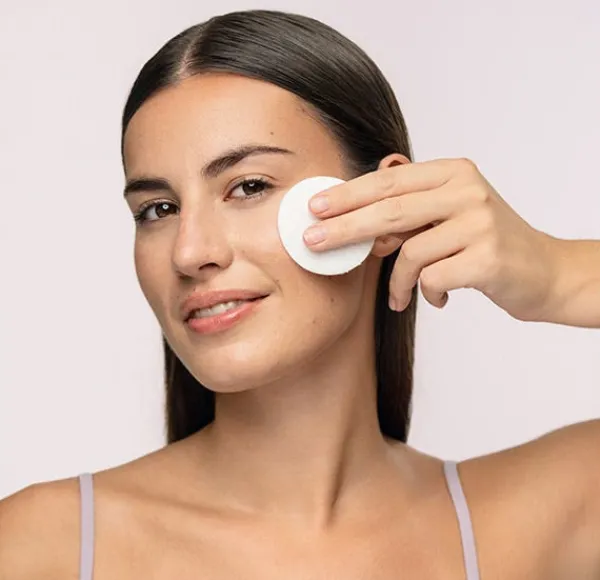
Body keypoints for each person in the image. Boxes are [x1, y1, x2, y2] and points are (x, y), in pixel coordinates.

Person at [1, 9, 599, 580]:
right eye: (157, 209)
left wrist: (561, 278)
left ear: (386, 204)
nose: (189, 252)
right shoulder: (40, 547)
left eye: (248, 186)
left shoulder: (538, 523)